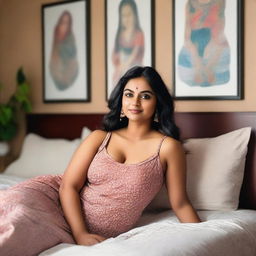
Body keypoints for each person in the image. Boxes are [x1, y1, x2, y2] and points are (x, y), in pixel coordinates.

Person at [0, 66, 201, 255]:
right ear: (121, 100)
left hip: (64, 225)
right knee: (16, 221)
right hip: (50, 199)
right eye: (129, 94)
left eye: (145, 96)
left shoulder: (167, 148)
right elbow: (68, 186)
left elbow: (181, 203)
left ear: (158, 102)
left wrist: (204, 238)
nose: (135, 102)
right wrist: (80, 234)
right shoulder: (100, 137)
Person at [178, 0, 230, 87]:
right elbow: (187, 33)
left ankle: (206, 71)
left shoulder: (219, 2)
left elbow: (220, 26)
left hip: (214, 38)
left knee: (218, 47)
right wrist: (197, 62)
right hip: (194, 38)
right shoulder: (190, 3)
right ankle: (203, 71)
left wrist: (208, 67)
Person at [111, 0, 144, 89]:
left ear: (135, 15)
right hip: (121, 67)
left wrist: (125, 65)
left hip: (133, 67)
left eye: (129, 14)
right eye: (124, 16)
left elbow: (134, 55)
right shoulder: (120, 34)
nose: (127, 18)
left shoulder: (138, 34)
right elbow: (115, 54)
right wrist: (119, 65)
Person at [49, 10, 79, 91]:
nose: (63, 26)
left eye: (66, 23)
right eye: (62, 22)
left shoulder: (70, 47)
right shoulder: (54, 44)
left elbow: (72, 71)